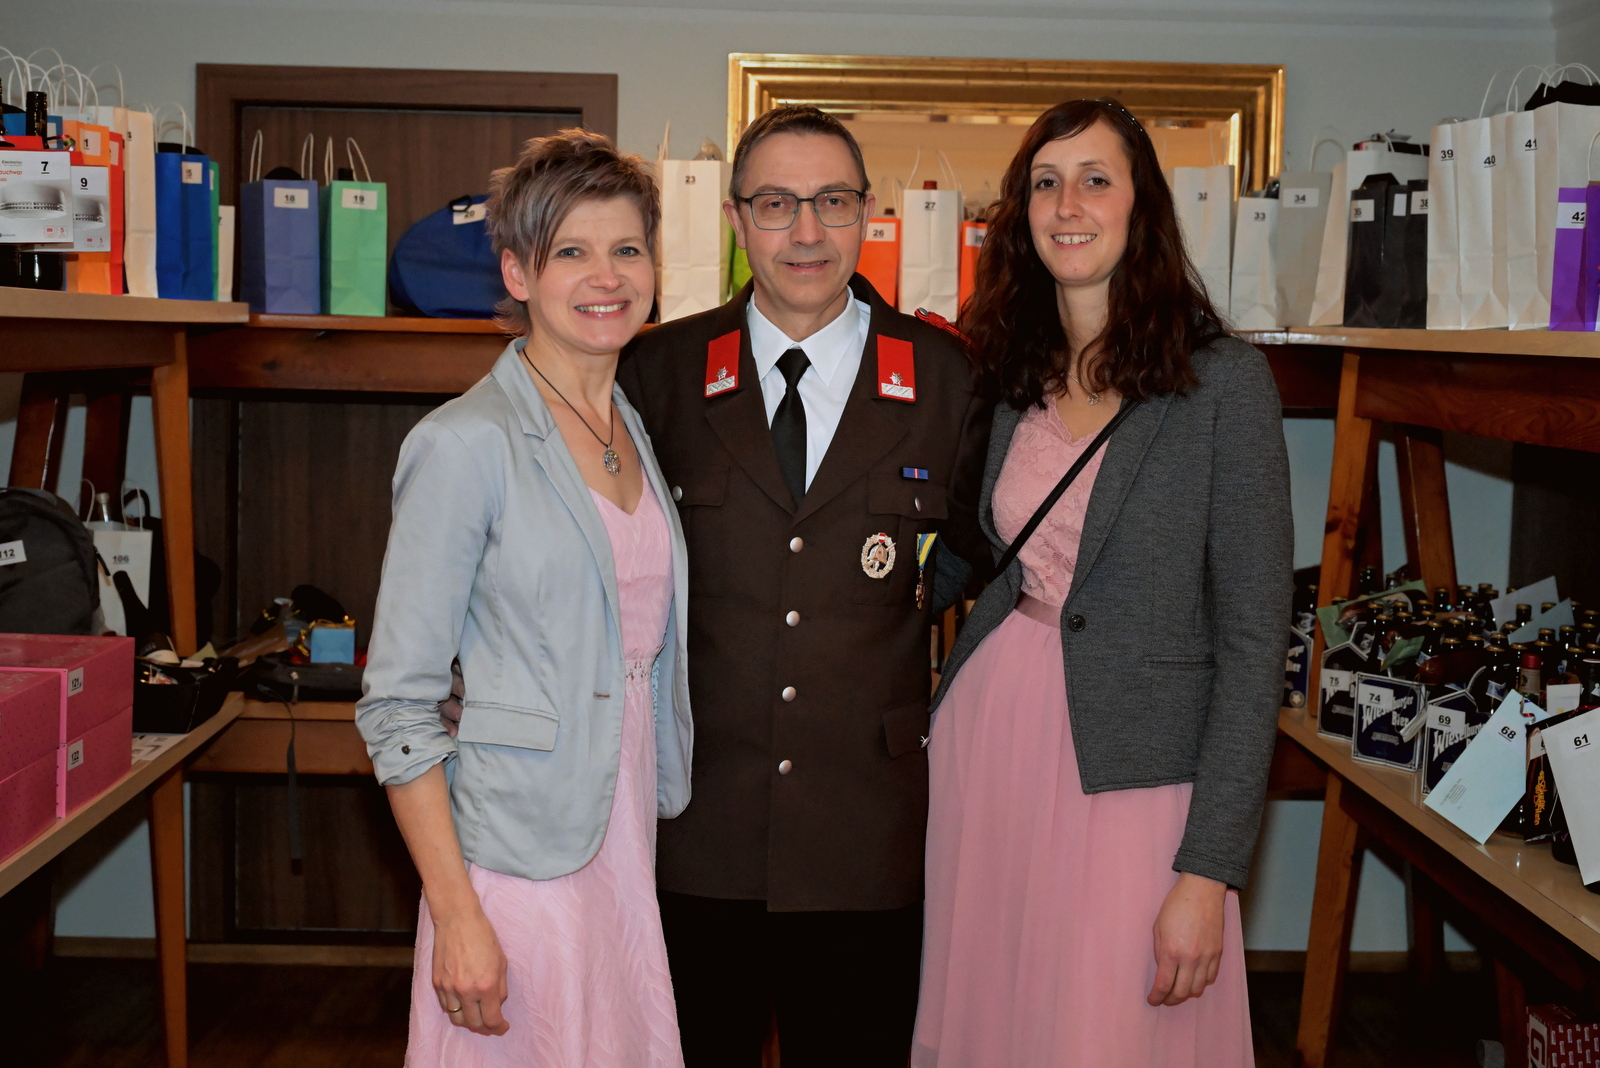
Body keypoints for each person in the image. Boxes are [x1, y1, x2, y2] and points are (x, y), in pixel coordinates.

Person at [912, 98, 1292, 1067]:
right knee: (1000, 1015)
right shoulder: (1009, 373)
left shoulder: (1224, 384)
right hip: (995, 734)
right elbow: (968, 551)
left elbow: (1255, 642)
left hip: (1138, 769)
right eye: (1045, 183)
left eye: (1094, 180)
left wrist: (1209, 871)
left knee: (1114, 1027)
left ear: (1140, 206)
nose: (1067, 205)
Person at [617, 105, 991, 1067]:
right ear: (736, 220)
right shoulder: (658, 372)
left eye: (833, 201)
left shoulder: (945, 377)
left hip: (864, 828)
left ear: (868, 212)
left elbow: (967, 558)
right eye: (777, 203)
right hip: (700, 823)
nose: (807, 231)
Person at [355, 130, 692, 1067]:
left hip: (621, 835)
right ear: (517, 270)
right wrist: (457, 913)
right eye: (571, 251)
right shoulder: (465, 443)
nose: (606, 277)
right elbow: (397, 704)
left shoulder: (629, 426)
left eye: (627, 249)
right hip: (514, 860)